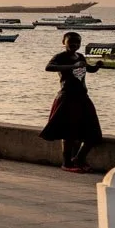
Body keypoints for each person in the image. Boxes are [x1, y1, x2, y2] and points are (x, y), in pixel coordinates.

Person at [41, 31, 103, 172]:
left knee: (92, 132)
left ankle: (79, 159)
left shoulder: (80, 56)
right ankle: (67, 162)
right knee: (68, 133)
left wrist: (97, 66)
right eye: (71, 43)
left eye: (78, 43)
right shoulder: (60, 57)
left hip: (82, 97)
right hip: (67, 97)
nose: (75, 45)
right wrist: (72, 66)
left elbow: (87, 69)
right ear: (64, 43)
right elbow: (49, 67)